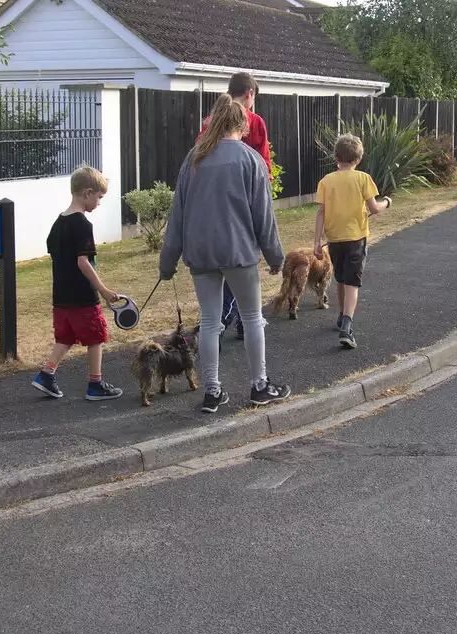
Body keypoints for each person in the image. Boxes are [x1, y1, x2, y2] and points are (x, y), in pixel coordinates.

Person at [160, 95, 286, 413]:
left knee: (210, 320)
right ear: (243, 124)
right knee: (253, 318)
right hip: (238, 251)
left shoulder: (194, 159)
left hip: (200, 253)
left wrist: (167, 261)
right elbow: (263, 216)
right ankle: (259, 385)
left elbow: (178, 214)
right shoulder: (250, 160)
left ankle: (213, 390)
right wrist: (275, 257)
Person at [30, 165, 124, 401]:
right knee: (96, 337)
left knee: (66, 336)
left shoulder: (58, 223)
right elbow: (83, 262)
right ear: (87, 192)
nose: (99, 203)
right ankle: (95, 384)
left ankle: (46, 374)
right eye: (99, 198)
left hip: (60, 295)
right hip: (82, 295)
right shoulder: (83, 224)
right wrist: (102, 290)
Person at [196, 72, 272, 344]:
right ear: (250, 93)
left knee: (221, 265)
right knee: (243, 262)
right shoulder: (255, 122)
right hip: (244, 206)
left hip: (209, 207)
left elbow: (198, 160)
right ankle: (232, 320)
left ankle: (226, 319)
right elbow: (263, 166)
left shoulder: (209, 122)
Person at [314, 133, 391, 350]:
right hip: (356, 237)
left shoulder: (326, 182)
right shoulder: (363, 178)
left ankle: (341, 315)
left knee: (340, 277)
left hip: (334, 239)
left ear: (335, 157)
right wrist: (387, 202)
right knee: (353, 282)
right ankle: (347, 326)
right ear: (358, 159)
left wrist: (316, 242)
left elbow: (321, 212)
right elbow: (374, 208)